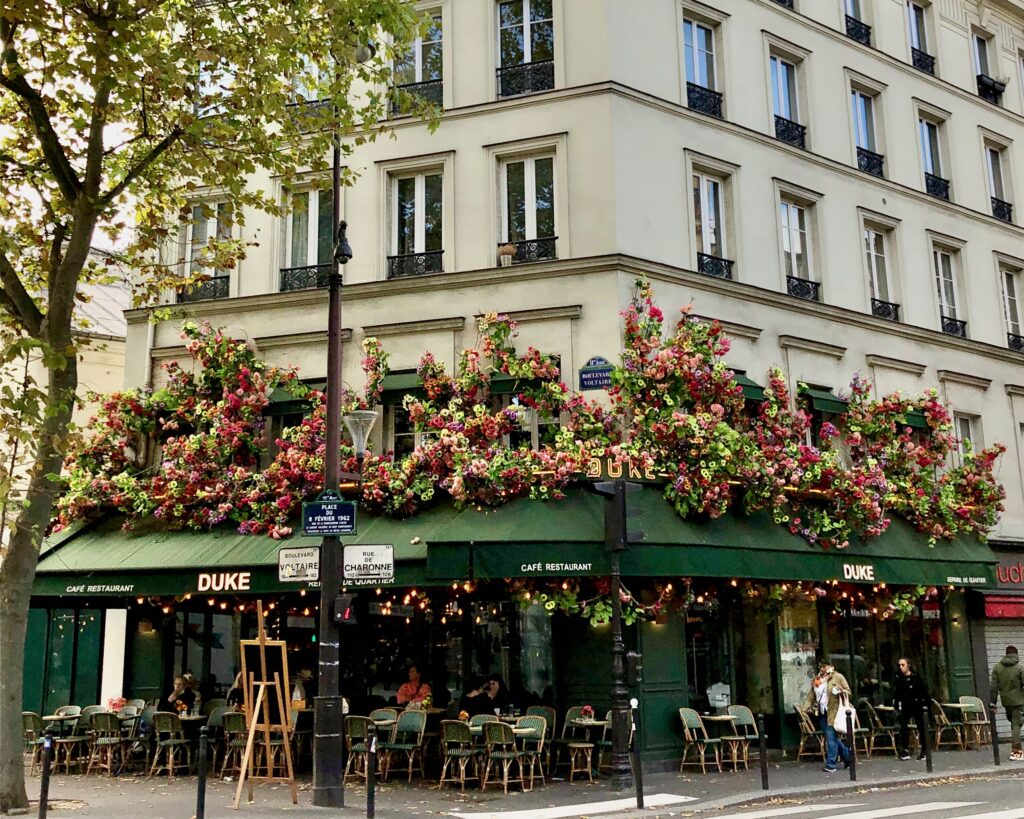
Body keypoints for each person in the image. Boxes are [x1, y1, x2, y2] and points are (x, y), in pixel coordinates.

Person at [803, 658, 852, 773]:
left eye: (824, 666)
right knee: (832, 738)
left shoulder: (838, 677)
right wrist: (805, 708)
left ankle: (831, 764)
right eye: (820, 666)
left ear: (830, 666)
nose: (822, 669)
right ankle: (848, 756)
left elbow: (848, 692)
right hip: (821, 712)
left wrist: (840, 690)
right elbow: (811, 696)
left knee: (830, 738)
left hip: (834, 711)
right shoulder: (817, 679)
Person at [990, 645, 1024, 761]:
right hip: (1019, 701)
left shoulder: (997, 668)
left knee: (1013, 723)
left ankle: (1016, 751)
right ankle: (1016, 752)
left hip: (1006, 702)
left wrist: (993, 703)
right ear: (1016, 654)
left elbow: (993, 687)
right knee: (1016, 725)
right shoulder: (1019, 668)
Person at [893, 657, 929, 760]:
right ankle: (904, 750)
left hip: (917, 705)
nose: (900, 667)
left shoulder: (916, 677)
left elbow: (923, 691)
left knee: (921, 727)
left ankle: (924, 750)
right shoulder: (899, 678)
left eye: (902, 665)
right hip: (905, 705)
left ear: (908, 665)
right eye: (899, 665)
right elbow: (897, 693)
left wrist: (924, 704)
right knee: (903, 727)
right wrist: (897, 705)